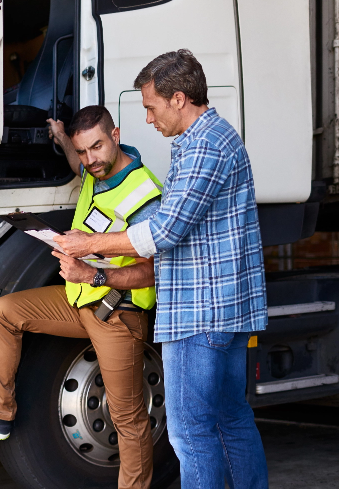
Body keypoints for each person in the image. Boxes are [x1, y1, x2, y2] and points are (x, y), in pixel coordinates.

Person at [53, 50, 269, 489]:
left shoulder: (204, 146)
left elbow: (164, 231)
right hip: (222, 309)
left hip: (199, 313)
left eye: (150, 106)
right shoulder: (211, 140)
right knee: (231, 419)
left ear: (178, 98)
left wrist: (87, 244)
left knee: (190, 433)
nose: (148, 119)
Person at [0, 105, 162, 489]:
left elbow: (153, 269)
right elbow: (79, 165)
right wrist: (62, 138)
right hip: (80, 303)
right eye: (82, 151)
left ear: (116, 136)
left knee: (128, 420)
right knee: (3, 312)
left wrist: (94, 274)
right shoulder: (95, 172)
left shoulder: (145, 193)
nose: (89, 160)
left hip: (117, 316)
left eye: (95, 147)